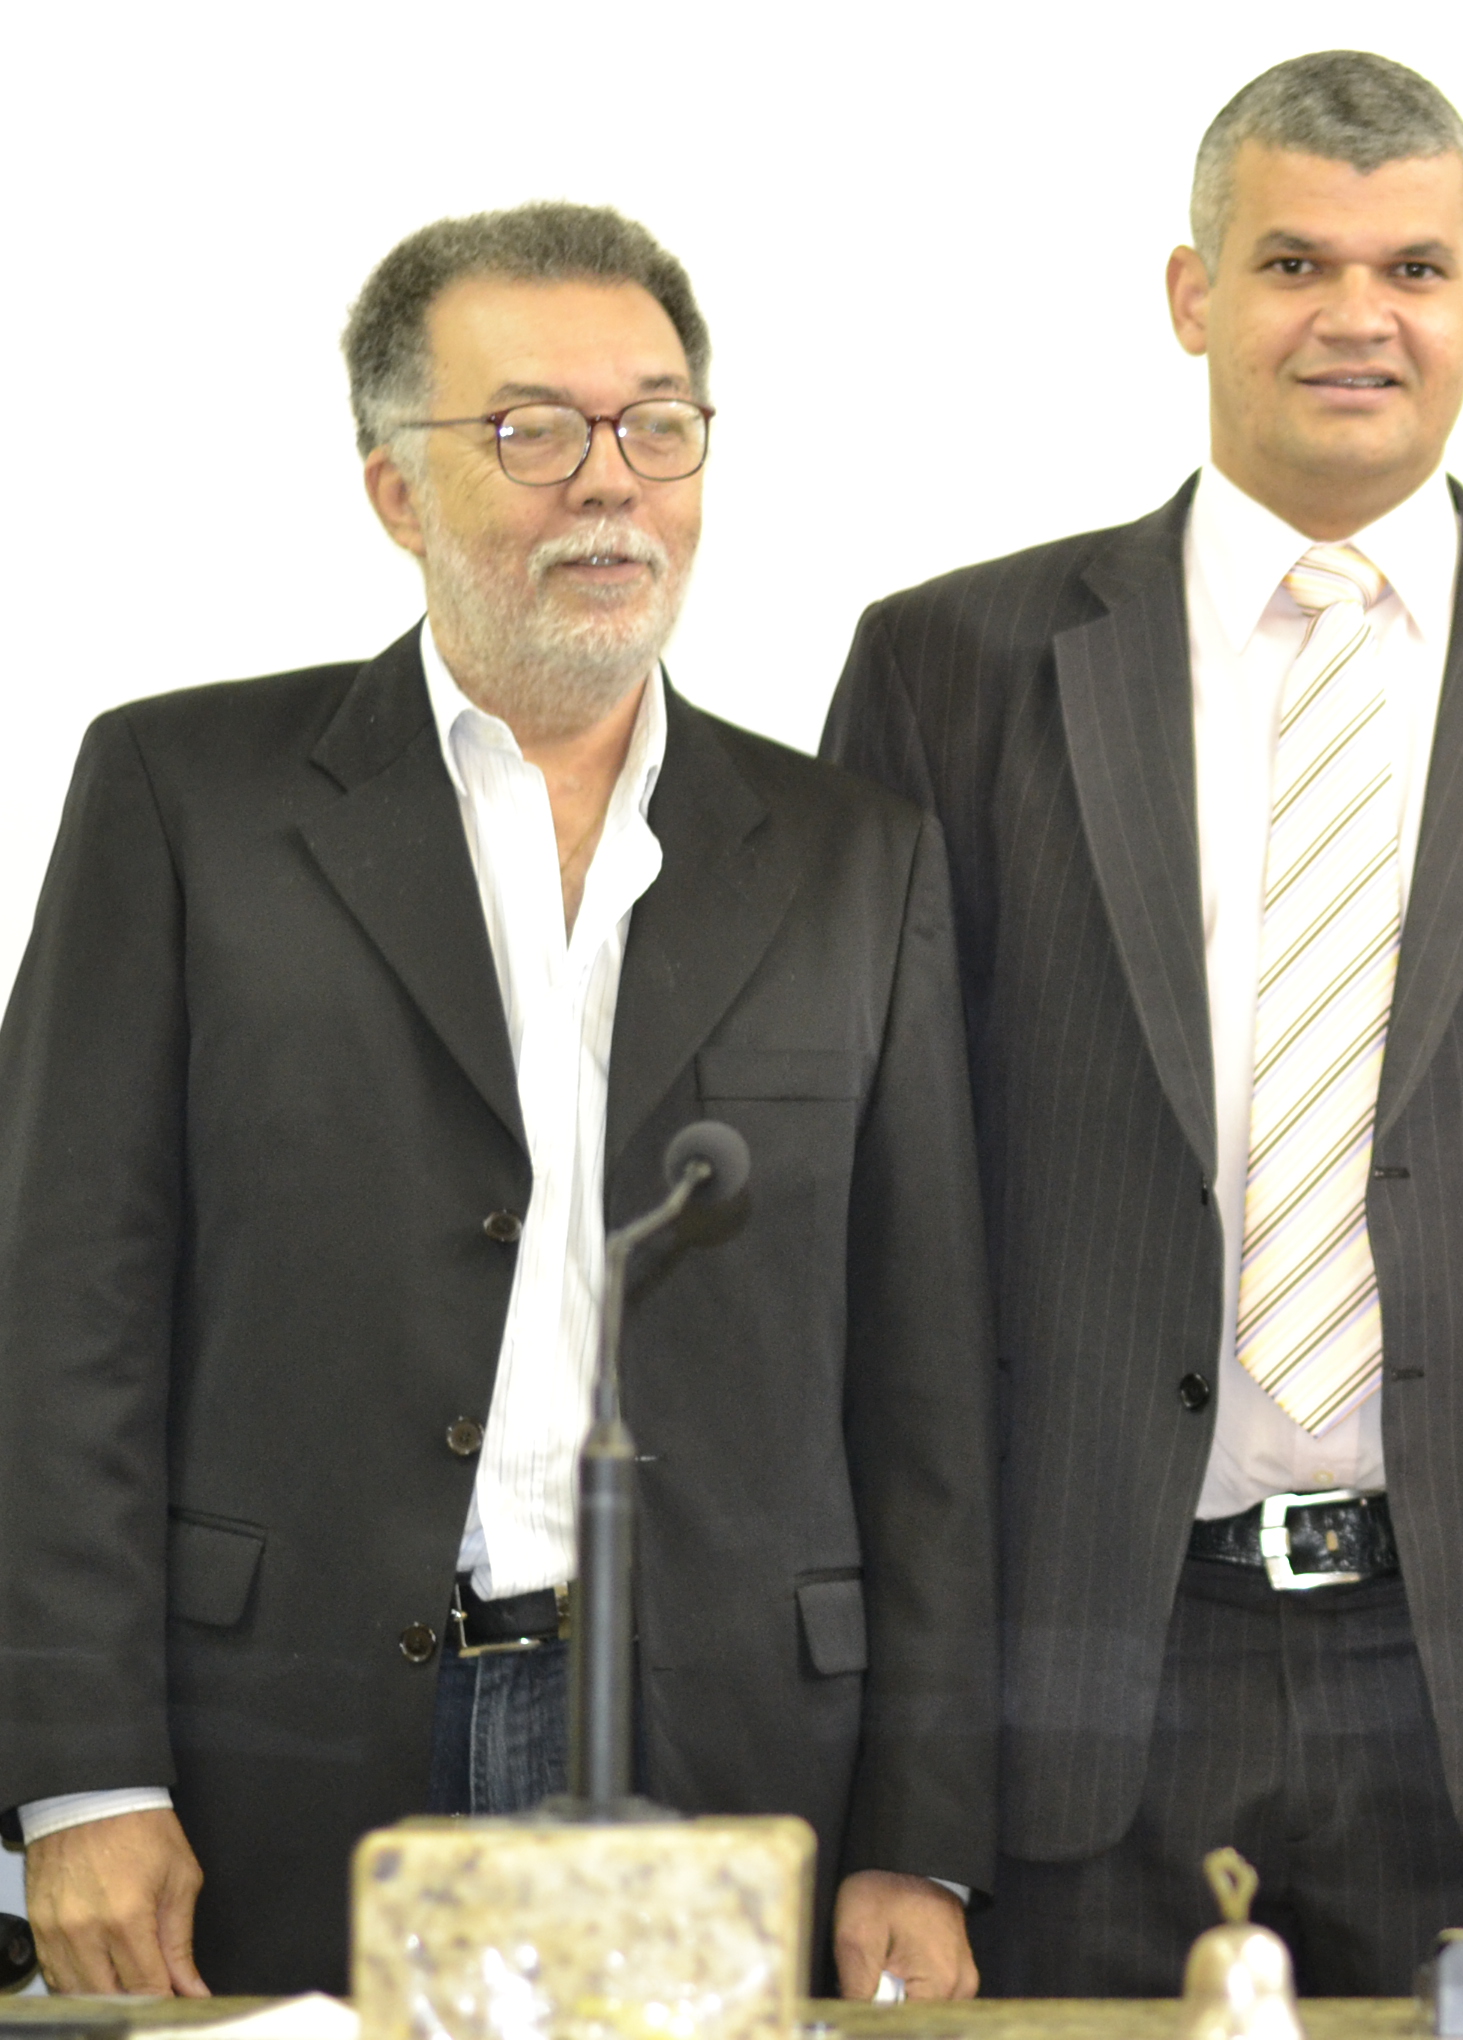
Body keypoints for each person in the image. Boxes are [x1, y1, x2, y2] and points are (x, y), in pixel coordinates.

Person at [821, 51, 1463, 1998]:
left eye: (1413, 269)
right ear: (1193, 295)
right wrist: (901, 1788)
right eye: (1294, 263)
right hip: (1071, 1690)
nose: (1359, 315)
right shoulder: (952, 670)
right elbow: (880, 1239)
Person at [0, 204, 998, 1997]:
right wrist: (84, 1774)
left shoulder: (856, 857)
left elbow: (925, 1383)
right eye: (532, 429)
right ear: (395, 489)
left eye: (657, 425)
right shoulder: (184, 796)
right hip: (277, 1746)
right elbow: (58, 1314)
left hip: (732, 1756)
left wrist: (922, 1827)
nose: (608, 481)